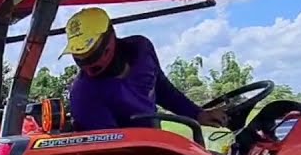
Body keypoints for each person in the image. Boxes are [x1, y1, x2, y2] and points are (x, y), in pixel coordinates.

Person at [62, 7, 228, 133]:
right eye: (79, 57)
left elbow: (162, 89)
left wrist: (197, 114)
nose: (87, 64)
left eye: (92, 54)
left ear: (110, 39)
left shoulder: (141, 50)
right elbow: (110, 150)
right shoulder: (84, 94)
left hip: (154, 141)